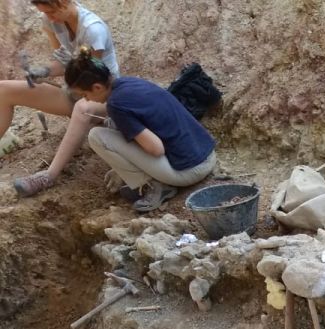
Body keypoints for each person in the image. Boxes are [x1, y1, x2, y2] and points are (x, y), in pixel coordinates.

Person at [53, 51, 216, 211]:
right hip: (207, 155)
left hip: (190, 172)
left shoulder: (116, 105)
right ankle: (149, 178)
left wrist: (128, 165)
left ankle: (154, 186)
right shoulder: (128, 82)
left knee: (97, 136)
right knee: (113, 125)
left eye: (84, 94)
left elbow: (156, 148)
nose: (86, 100)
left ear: (97, 87)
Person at [4, 0, 119, 198]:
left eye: (51, 12)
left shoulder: (93, 30)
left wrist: (68, 66)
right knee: (3, 90)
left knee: (82, 108)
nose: (49, 17)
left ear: (65, 2)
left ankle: (48, 176)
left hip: (102, 97)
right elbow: (62, 62)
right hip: (74, 91)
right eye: (44, 13)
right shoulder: (50, 21)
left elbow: (92, 78)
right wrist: (43, 71)